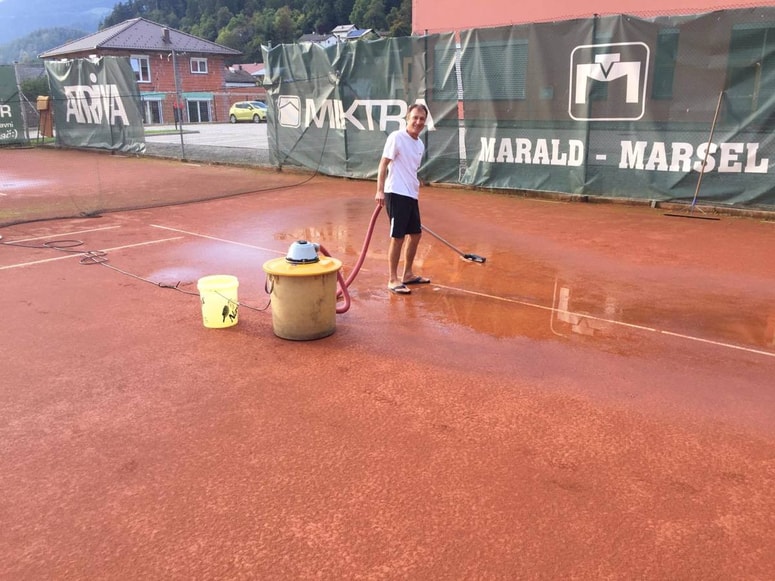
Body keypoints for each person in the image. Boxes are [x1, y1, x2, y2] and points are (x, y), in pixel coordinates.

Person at [375, 103, 431, 295]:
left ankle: (407, 274)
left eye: (422, 119)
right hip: (395, 193)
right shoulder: (397, 137)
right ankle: (392, 279)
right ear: (407, 118)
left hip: (411, 194)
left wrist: (416, 182)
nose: (418, 121)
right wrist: (380, 191)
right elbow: (384, 164)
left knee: (415, 234)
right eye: (415, 117)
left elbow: (409, 167)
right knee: (398, 237)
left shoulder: (419, 144)